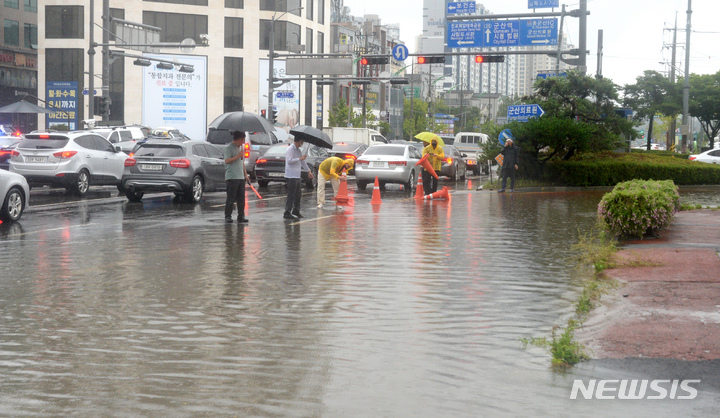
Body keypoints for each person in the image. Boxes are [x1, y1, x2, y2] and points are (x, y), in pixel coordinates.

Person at [224, 131, 251, 223]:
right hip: (232, 177)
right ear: (238, 139)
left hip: (240, 177)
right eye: (242, 140)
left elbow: (241, 162)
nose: (243, 142)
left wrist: (245, 174)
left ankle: (241, 216)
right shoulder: (229, 148)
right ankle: (228, 216)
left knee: (241, 199)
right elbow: (227, 160)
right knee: (231, 198)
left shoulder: (239, 149)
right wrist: (237, 156)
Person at [284, 137, 312, 219]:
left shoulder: (298, 150)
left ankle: (296, 210)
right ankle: (287, 211)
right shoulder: (290, 149)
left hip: (297, 175)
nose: (302, 143)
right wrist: (300, 158)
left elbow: (303, 162)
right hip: (290, 175)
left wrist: (308, 170)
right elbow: (289, 161)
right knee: (291, 195)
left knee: (298, 194)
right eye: (302, 142)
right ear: (299, 141)